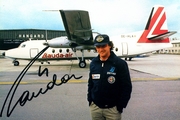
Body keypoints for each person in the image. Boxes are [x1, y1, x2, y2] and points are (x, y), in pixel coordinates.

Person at [87, 34, 132, 120]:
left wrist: (120, 106)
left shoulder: (120, 64)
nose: (101, 49)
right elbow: (91, 83)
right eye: (98, 46)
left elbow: (126, 86)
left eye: (103, 46)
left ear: (109, 46)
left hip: (113, 110)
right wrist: (90, 100)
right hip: (95, 108)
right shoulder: (94, 63)